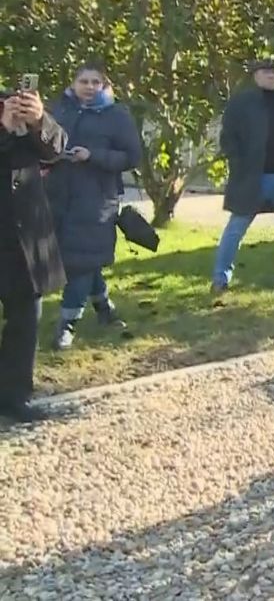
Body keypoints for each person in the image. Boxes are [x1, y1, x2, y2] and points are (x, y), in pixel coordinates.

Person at [45, 63, 143, 350]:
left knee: (82, 261)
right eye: (83, 81)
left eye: (95, 82)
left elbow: (131, 156)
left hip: (98, 199)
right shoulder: (59, 109)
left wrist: (93, 156)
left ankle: (67, 324)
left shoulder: (116, 115)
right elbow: (42, 141)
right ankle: (104, 309)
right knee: (80, 258)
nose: (89, 86)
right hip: (59, 196)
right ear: (73, 84)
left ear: (103, 86)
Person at [211, 59, 274, 293]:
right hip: (254, 178)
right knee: (236, 228)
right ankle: (220, 279)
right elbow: (228, 138)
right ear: (255, 75)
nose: (272, 76)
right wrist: (238, 165)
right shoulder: (242, 103)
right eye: (266, 72)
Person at [0, 87, 66, 422]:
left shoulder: (13, 102)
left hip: (21, 233)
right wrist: (4, 131)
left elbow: (55, 150)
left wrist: (39, 120)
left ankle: (14, 396)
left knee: (26, 315)